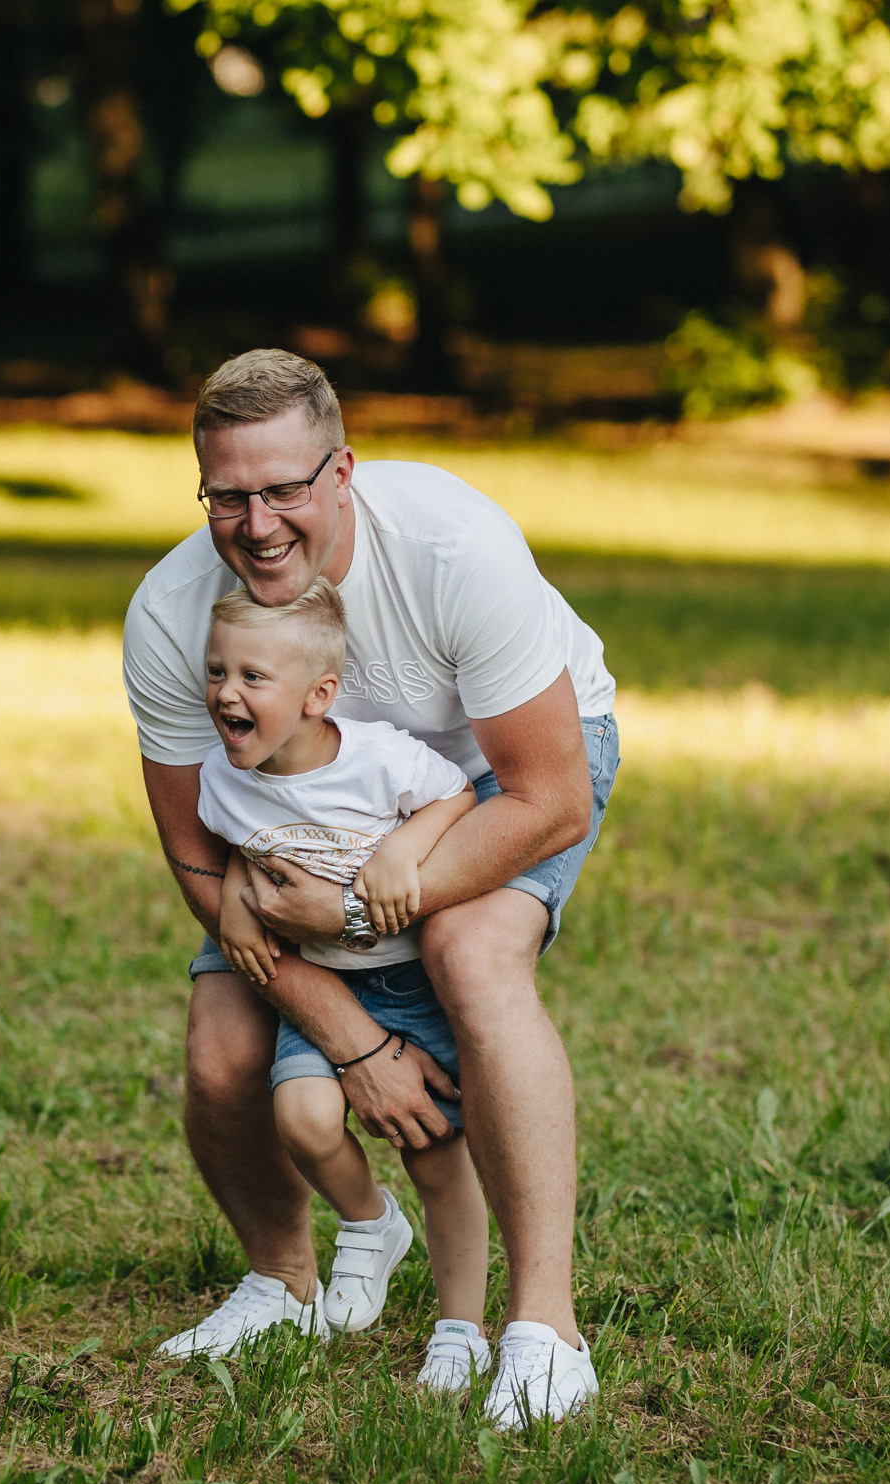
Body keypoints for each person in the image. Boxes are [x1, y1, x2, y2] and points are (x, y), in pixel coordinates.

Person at [123, 348, 620, 1427]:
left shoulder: (452, 546)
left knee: (470, 956)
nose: (257, 524)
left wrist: (353, 913)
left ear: (343, 472)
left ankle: (545, 1329)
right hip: (296, 820)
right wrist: (346, 1029)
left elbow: (551, 798)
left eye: (286, 489)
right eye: (228, 495)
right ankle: (285, 1280)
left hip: (496, 774)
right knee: (220, 1056)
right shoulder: (173, 614)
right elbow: (197, 853)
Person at [194, 576, 498, 1394]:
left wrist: (402, 854)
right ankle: (369, 1220)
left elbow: (458, 793)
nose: (226, 691)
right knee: (300, 1115)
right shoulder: (222, 774)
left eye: (253, 678)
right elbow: (237, 841)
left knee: (435, 1156)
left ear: (318, 695)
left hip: (407, 983)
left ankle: (459, 1331)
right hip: (325, 984)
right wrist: (234, 903)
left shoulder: (376, 758)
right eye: (218, 670)